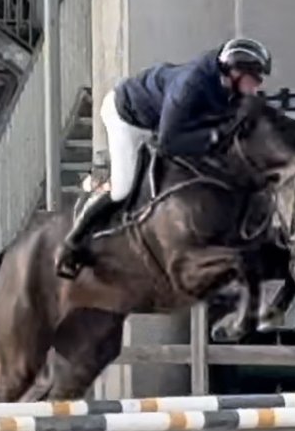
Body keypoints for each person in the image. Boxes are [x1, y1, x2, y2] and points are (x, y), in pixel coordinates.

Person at [55, 36, 273, 279]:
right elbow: (169, 143)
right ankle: (73, 241)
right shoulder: (190, 86)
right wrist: (215, 138)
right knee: (123, 191)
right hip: (128, 120)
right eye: (254, 80)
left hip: (164, 121)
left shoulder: (228, 87)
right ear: (234, 73)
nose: (257, 87)